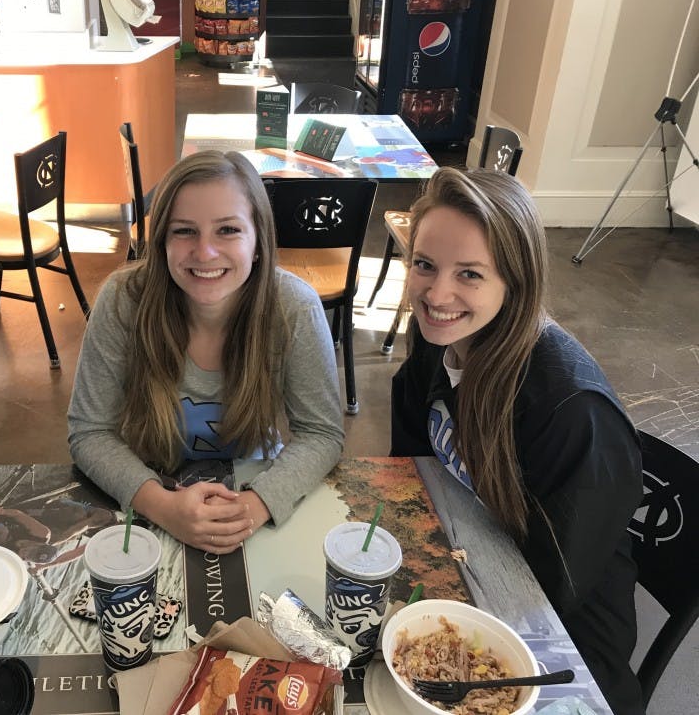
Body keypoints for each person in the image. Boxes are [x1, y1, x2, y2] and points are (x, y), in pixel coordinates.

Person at [389, 167, 644, 715]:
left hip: (562, 646)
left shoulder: (573, 413)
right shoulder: (442, 335)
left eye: (471, 275)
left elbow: (551, 592)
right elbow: (409, 468)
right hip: (469, 568)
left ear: (516, 282)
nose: (438, 294)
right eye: (425, 265)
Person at [68, 151, 344, 555]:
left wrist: (255, 505)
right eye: (184, 231)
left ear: (258, 243)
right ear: (161, 240)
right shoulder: (123, 300)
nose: (205, 252)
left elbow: (322, 433)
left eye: (228, 230)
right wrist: (162, 506)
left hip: (255, 488)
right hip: (146, 485)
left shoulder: (293, 307)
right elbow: (89, 431)